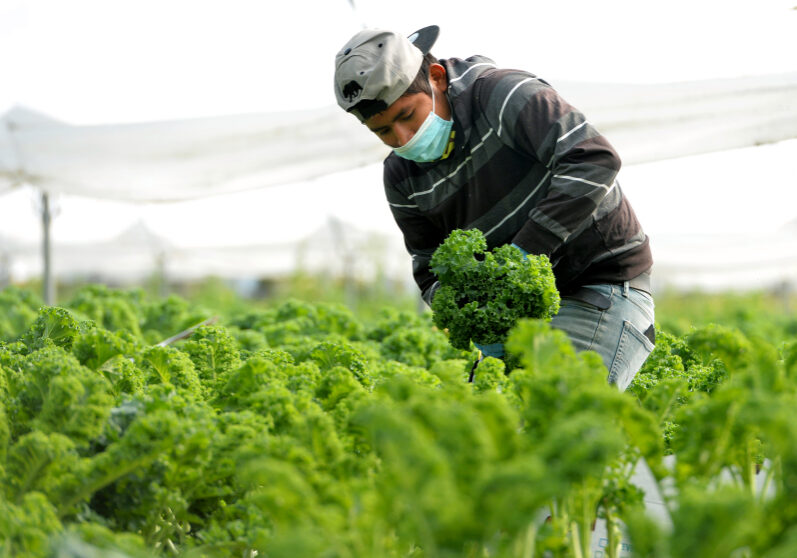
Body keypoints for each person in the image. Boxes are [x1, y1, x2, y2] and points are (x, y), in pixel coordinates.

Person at [333, 25, 655, 391]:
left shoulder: (501, 95)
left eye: (407, 115)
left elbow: (593, 160)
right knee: (488, 439)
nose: (402, 138)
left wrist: (522, 255)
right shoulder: (400, 175)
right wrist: (475, 315)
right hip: (513, 320)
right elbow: (429, 268)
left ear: (435, 78)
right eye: (383, 131)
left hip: (597, 285)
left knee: (552, 421)